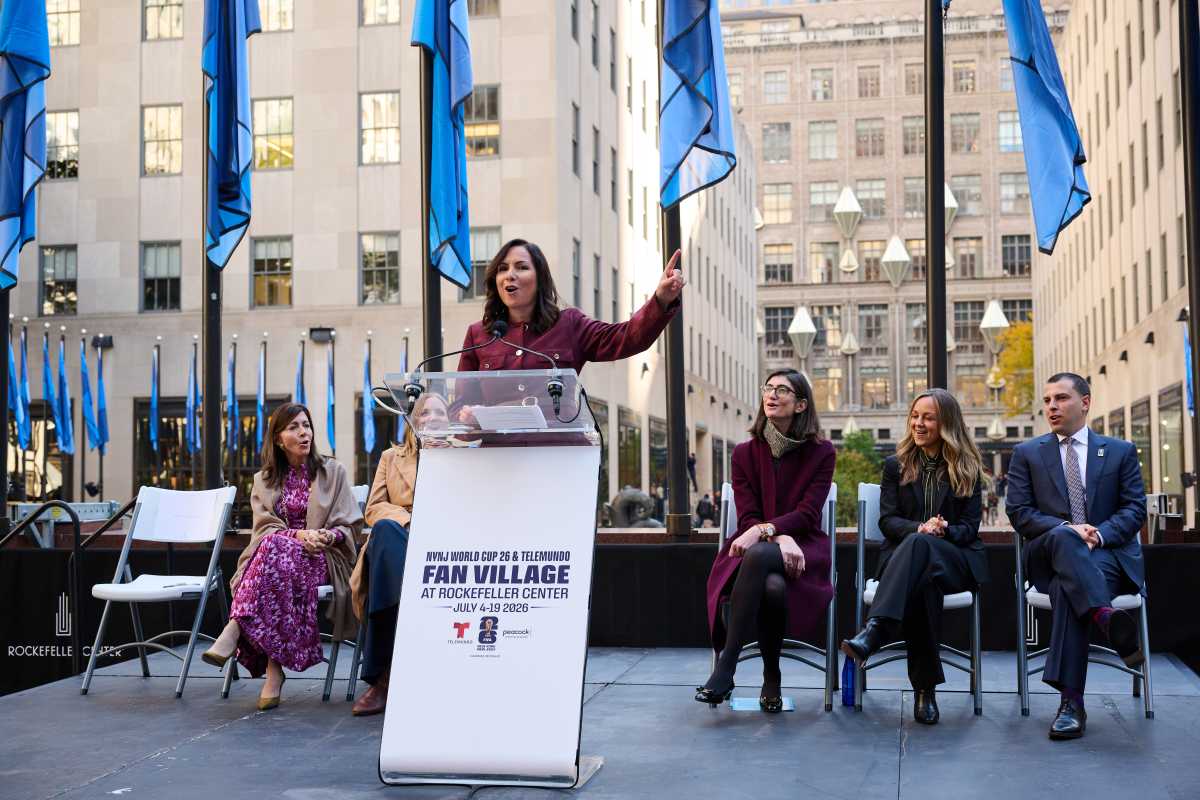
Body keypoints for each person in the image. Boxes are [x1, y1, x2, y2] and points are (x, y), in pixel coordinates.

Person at [1006, 373, 1146, 740]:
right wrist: (1069, 528)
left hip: (1106, 556)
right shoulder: (1027, 454)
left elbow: (1134, 511)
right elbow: (1019, 513)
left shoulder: (1119, 451)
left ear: (1085, 402)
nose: (1051, 406)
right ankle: (1104, 615)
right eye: (1048, 399)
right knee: (1066, 549)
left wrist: (1097, 534)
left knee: (1073, 587)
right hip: (1047, 557)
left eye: (1061, 398)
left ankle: (1071, 703)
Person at [840, 389, 987, 725]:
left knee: (924, 552)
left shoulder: (967, 468)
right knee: (922, 582)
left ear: (946, 423)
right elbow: (887, 521)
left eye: (928, 417)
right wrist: (920, 528)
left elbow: (970, 528)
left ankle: (875, 631)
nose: (918, 424)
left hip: (955, 560)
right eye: (915, 416)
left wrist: (943, 530)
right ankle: (925, 691)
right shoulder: (896, 465)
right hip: (905, 563)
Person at [202, 403, 362, 711]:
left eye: (306, 425)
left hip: (324, 558)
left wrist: (326, 536)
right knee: (279, 552)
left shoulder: (333, 471)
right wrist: (298, 537)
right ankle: (273, 672)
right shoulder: (264, 480)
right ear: (278, 439)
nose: (304, 432)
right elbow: (264, 531)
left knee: (277, 554)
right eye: (294, 427)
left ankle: (236, 628)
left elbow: (350, 526)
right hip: (278, 562)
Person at [698, 369, 836, 712]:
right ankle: (771, 675)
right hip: (756, 554)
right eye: (769, 388)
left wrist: (771, 533)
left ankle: (726, 666)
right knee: (771, 584)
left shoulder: (822, 452)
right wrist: (776, 535)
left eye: (782, 390)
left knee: (762, 559)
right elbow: (747, 517)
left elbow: (808, 514)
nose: (772, 395)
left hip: (804, 549)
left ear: (801, 404)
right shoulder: (744, 453)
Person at [348, 394, 449, 716]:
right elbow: (374, 508)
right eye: (424, 412)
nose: (432, 417)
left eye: (440, 412)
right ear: (413, 420)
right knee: (385, 532)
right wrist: (412, 520)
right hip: (402, 535)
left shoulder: (465, 454)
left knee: (386, 558)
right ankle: (391, 672)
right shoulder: (392, 458)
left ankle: (385, 677)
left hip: (447, 539)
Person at [457, 239, 684, 380]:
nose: (510, 275)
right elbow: (460, 409)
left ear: (540, 279)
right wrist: (466, 417)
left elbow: (627, 338)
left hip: (559, 454)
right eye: (502, 269)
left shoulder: (569, 325)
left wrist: (661, 299)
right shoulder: (479, 335)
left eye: (522, 267)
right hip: (498, 456)